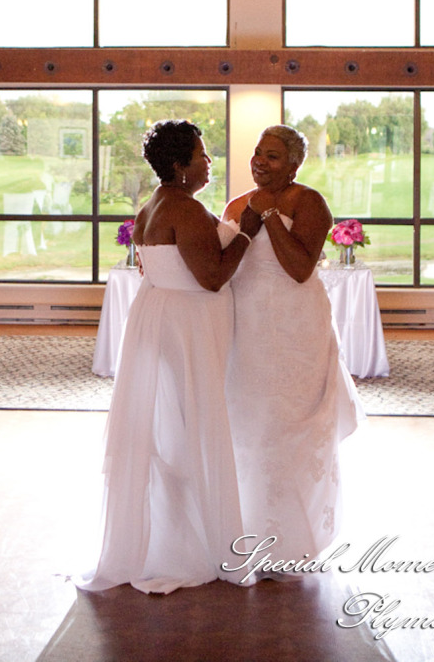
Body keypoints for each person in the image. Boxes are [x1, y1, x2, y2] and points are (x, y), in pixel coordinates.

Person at [81, 119, 261, 594]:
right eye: (201, 155)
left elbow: (157, 267)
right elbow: (212, 277)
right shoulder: (185, 208)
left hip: (163, 319)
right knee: (192, 423)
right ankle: (192, 543)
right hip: (188, 328)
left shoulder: (152, 204)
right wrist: (245, 234)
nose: (209, 161)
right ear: (181, 165)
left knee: (171, 427)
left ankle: (170, 532)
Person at [222, 124, 362, 575]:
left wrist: (266, 217)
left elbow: (300, 268)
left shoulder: (309, 202)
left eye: (273, 156)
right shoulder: (235, 205)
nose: (260, 161)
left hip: (296, 328)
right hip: (247, 328)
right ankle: (246, 528)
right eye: (257, 152)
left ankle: (290, 540)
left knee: (287, 427)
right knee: (248, 426)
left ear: (294, 165)